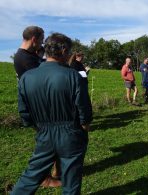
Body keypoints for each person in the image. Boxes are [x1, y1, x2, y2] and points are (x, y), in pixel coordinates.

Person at [11, 32, 92, 195]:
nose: (69, 55)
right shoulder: (73, 76)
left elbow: (24, 113)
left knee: (31, 176)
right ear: (63, 51)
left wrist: (40, 128)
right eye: (69, 52)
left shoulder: (26, 78)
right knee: (71, 179)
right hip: (71, 132)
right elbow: (84, 108)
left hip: (43, 133)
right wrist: (84, 127)